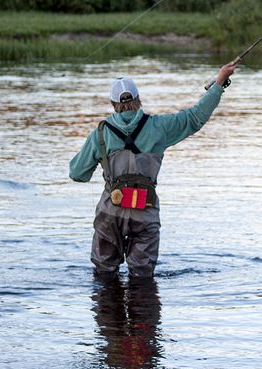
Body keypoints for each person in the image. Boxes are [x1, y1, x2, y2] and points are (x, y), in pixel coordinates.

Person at [69, 61, 238, 278]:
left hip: (110, 211)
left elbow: (77, 173)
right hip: (144, 211)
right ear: (138, 99)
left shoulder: (100, 133)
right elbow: (196, 117)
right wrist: (219, 82)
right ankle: (142, 309)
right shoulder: (159, 126)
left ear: (113, 103)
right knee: (142, 278)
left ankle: (108, 309)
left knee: (104, 276)